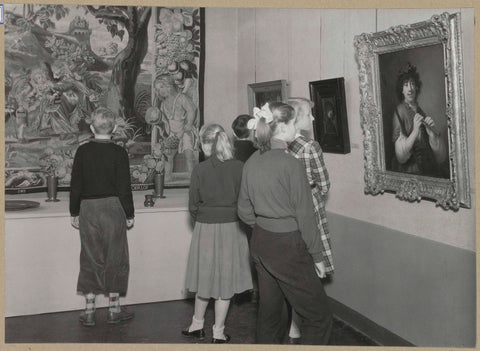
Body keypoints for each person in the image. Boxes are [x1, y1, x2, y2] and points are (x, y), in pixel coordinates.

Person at [238, 102, 332, 345]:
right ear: (281, 128)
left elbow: (243, 210)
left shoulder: (251, 162)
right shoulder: (290, 163)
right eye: (292, 124)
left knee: (270, 317)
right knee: (319, 317)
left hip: (261, 243)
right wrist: (317, 256)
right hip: (287, 246)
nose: (296, 128)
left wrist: (263, 225)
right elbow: (306, 216)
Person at [183, 124, 253, 343]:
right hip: (233, 229)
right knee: (226, 282)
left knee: (204, 278)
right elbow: (246, 201)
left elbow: (193, 205)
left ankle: (196, 324)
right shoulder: (240, 167)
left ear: (205, 144)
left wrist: (202, 219)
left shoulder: (200, 170)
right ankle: (218, 332)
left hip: (205, 227)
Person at [69, 107, 135, 327]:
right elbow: (125, 187)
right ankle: (114, 309)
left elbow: (75, 185)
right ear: (115, 128)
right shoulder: (119, 152)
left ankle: (89, 311)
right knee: (116, 256)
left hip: (88, 208)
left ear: (91, 128)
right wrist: (129, 213)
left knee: (90, 255)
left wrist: (74, 211)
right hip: (113, 208)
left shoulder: (83, 151)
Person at [286, 97, 334, 343]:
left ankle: (294, 327)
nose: (313, 118)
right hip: (309, 209)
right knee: (311, 270)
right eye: (309, 114)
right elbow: (324, 185)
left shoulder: (280, 145)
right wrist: (312, 188)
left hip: (286, 213)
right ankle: (299, 327)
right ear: (297, 118)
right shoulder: (310, 146)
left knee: (294, 270)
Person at [391, 63, 448, 178]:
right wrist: (415, 131)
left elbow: (440, 157)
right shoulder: (399, 112)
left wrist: (431, 135)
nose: (410, 88)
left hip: (426, 167)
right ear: (401, 90)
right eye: (406, 85)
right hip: (410, 170)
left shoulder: (420, 111)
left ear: (416, 87)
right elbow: (401, 156)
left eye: (412, 84)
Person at [231, 114, 259, 303]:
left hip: (233, 208)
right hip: (253, 209)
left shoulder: (229, 154)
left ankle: (239, 289)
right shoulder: (259, 153)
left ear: (234, 132)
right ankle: (257, 290)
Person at [154, 75, 199, 178]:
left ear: (169, 85)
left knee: (189, 155)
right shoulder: (163, 103)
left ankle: (193, 179)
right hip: (173, 133)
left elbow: (191, 110)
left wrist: (189, 124)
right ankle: (167, 179)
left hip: (185, 131)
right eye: (158, 89)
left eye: (162, 87)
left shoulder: (181, 98)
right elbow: (165, 120)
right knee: (168, 156)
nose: (160, 90)